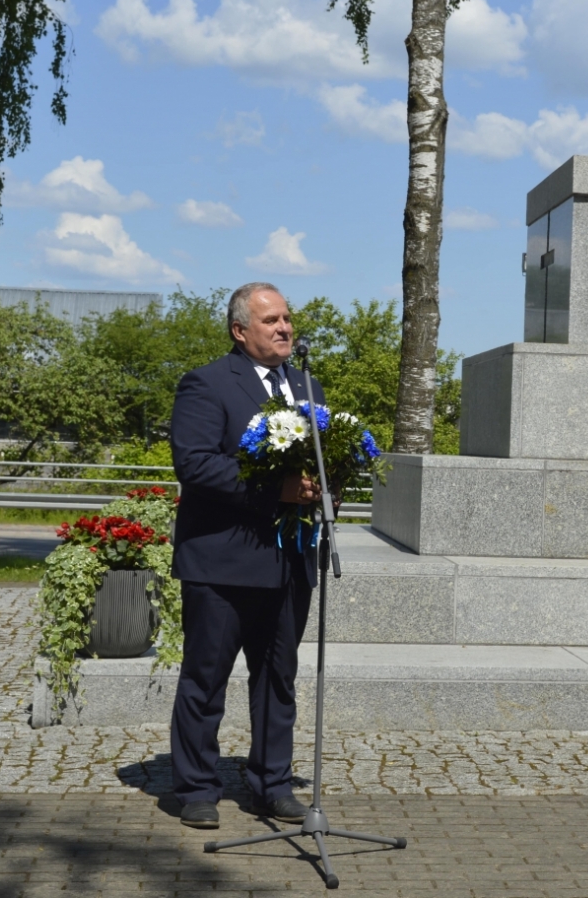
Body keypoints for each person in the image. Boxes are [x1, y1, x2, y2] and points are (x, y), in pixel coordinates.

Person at [168, 281, 323, 830]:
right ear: (240, 331)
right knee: (206, 679)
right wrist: (274, 489)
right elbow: (197, 464)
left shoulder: (305, 385)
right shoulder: (207, 384)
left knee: (277, 679)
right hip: (222, 562)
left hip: (289, 562)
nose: (285, 328)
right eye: (272, 320)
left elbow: (321, 460)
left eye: (287, 318)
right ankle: (196, 789)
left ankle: (271, 785)